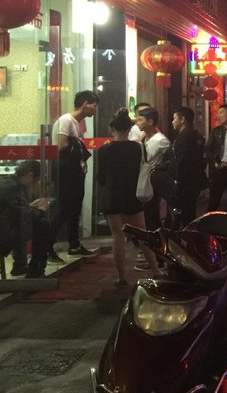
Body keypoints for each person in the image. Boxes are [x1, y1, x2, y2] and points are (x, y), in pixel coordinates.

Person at [96, 109, 160, 286]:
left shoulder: (104, 150)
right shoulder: (138, 148)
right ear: (129, 128)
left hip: (112, 196)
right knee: (142, 234)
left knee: (117, 236)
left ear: (112, 129)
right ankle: (156, 270)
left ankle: (122, 276)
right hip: (133, 194)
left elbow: (101, 177)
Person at [49, 90, 99, 262]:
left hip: (74, 172)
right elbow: (60, 146)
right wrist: (76, 145)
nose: (95, 110)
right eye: (94, 105)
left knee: (74, 209)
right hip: (65, 172)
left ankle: (74, 244)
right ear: (85, 104)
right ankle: (47, 247)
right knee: (63, 209)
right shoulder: (66, 120)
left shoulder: (77, 122)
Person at [0, 161, 51, 278]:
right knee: (42, 225)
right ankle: (36, 270)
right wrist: (42, 209)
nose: (35, 184)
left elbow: (15, 210)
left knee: (29, 225)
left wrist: (30, 206)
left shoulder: (9, 184)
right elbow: (28, 216)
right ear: (30, 176)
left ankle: (20, 264)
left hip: (5, 226)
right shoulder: (12, 188)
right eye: (36, 180)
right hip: (4, 233)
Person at [170, 106, 208, 229]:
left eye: (174, 118)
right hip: (193, 181)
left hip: (185, 183)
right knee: (188, 211)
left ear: (183, 120)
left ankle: (185, 236)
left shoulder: (185, 137)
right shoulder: (195, 136)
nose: (172, 122)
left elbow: (182, 161)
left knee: (184, 213)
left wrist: (177, 179)